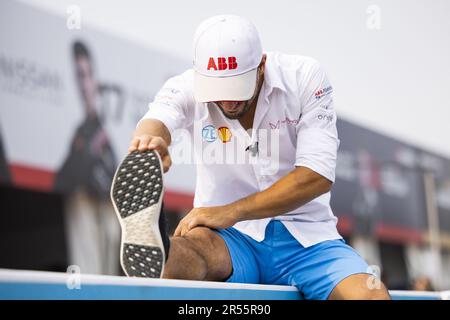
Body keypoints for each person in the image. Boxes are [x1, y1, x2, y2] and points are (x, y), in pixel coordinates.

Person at [112, 15, 391, 300]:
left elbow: (316, 176)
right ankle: (159, 250)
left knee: (372, 296)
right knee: (194, 256)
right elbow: (157, 119)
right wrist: (152, 142)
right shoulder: (186, 84)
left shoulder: (306, 77)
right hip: (230, 239)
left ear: (261, 66)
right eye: (218, 90)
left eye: (236, 88)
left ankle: (164, 252)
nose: (229, 101)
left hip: (308, 240)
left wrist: (230, 211)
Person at [55, 41, 119, 275]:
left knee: (110, 250)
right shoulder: (78, 135)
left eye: (88, 75)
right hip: (85, 202)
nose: (84, 85)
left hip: (108, 206)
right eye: (79, 76)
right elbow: (62, 178)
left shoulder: (107, 133)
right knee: (89, 263)